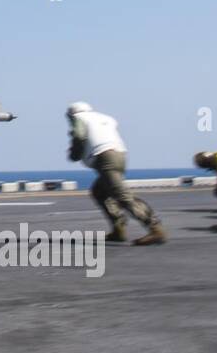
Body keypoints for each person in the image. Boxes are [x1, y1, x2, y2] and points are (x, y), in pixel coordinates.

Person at [66, 102, 167, 245]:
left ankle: (155, 228)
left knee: (122, 196)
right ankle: (118, 228)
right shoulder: (104, 118)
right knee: (99, 192)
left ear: (72, 114)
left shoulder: (79, 118)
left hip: (105, 157)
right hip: (120, 155)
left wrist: (74, 153)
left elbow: (79, 137)